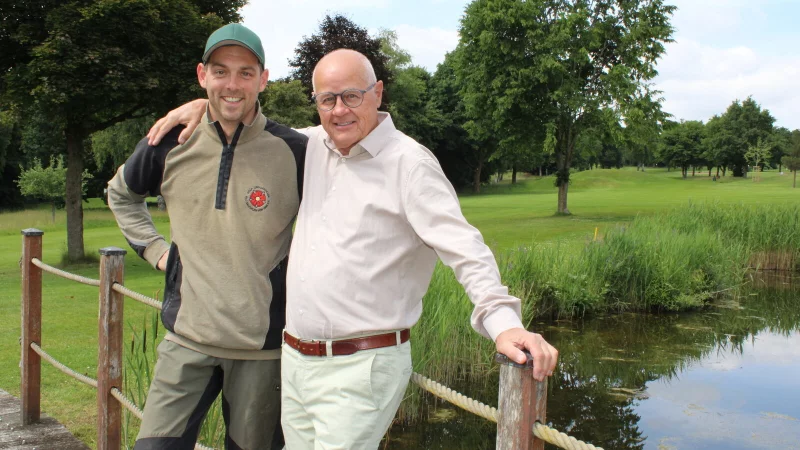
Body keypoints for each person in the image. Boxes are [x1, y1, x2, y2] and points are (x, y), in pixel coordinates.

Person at [148, 49, 558, 449]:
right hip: (295, 364)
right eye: (327, 99)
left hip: (360, 369)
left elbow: (464, 248)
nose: (339, 110)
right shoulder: (310, 147)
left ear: (377, 93)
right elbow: (250, 124)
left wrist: (504, 324)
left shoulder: (410, 165)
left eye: (351, 96)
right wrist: (208, 105)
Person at [107, 23, 306, 449]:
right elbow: (121, 195)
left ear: (263, 79)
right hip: (187, 341)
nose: (232, 84)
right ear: (202, 75)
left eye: (245, 72)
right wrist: (160, 252)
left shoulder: (296, 151)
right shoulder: (169, 141)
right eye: (220, 71)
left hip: (262, 351)